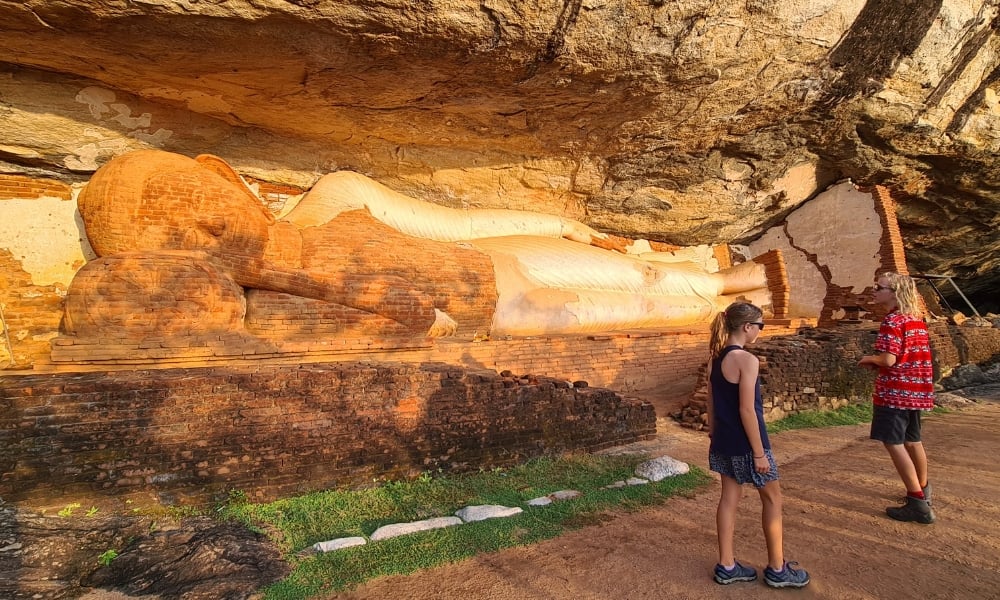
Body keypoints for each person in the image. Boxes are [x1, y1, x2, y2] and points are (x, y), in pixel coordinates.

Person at [706, 301, 810, 588]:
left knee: (728, 499)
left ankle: (727, 565)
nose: (760, 332)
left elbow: (711, 402)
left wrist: (714, 435)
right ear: (747, 327)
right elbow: (747, 410)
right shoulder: (746, 360)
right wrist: (759, 453)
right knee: (773, 499)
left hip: (724, 441)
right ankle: (777, 568)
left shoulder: (715, 359)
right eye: (760, 326)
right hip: (748, 444)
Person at [858, 272, 936, 524]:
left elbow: (888, 360)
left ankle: (916, 502)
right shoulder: (915, 319)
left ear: (894, 293)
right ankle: (923, 490)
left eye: (879, 287)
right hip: (915, 390)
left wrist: (869, 359)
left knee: (893, 442)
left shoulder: (893, 321)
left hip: (895, 392)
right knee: (913, 440)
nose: (874, 291)